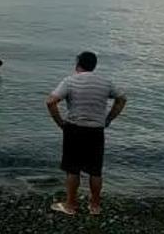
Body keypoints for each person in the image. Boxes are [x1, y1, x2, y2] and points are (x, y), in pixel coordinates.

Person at [46, 51, 127, 216]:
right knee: (95, 170)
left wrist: (60, 122)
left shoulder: (70, 81)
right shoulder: (105, 82)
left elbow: (50, 101)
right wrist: (108, 119)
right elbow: (122, 99)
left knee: (72, 169)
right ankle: (95, 206)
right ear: (94, 65)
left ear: (77, 64)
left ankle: (70, 205)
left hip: (74, 128)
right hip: (96, 130)